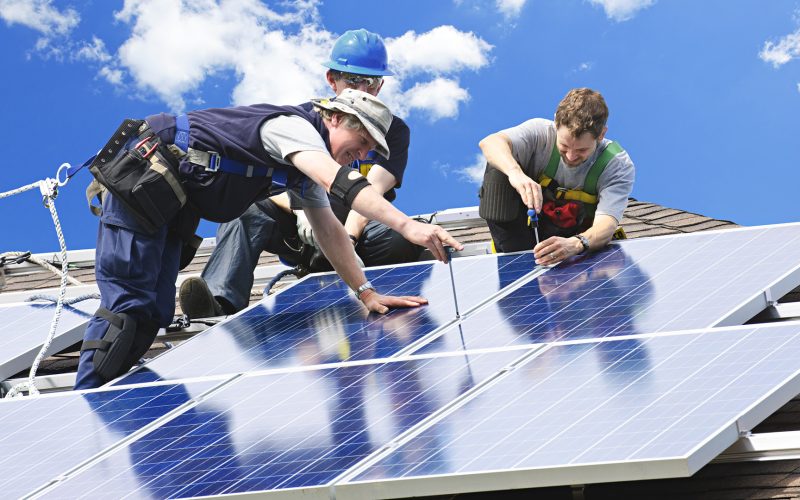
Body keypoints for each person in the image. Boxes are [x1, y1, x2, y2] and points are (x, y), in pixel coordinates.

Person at [74, 87, 461, 390]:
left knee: (155, 312)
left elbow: (329, 229)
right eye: (359, 146)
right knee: (128, 308)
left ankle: (106, 404)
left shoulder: (302, 171)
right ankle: (85, 404)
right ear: (336, 117)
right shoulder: (292, 129)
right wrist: (408, 226)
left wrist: (366, 293)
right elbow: (337, 181)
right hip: (142, 180)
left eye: (366, 154)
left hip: (169, 204)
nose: (357, 157)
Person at [180, 28, 420, 319]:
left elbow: (373, 190)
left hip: (356, 229)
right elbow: (274, 178)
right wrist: (300, 211)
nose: (362, 89)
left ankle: (377, 289)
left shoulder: (391, 132)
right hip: (302, 227)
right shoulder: (306, 121)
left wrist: (348, 237)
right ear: (332, 81)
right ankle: (219, 303)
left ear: (380, 86)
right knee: (245, 211)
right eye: (353, 80)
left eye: (370, 82)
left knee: (402, 235)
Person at [478, 87, 635, 266]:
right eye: (564, 146)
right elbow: (490, 142)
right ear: (555, 123)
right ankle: (515, 260)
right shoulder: (540, 133)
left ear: (601, 135)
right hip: (521, 239)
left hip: (575, 246)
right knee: (498, 167)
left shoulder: (615, 164)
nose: (570, 156)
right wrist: (516, 174)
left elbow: (606, 223)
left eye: (582, 150)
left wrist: (577, 243)